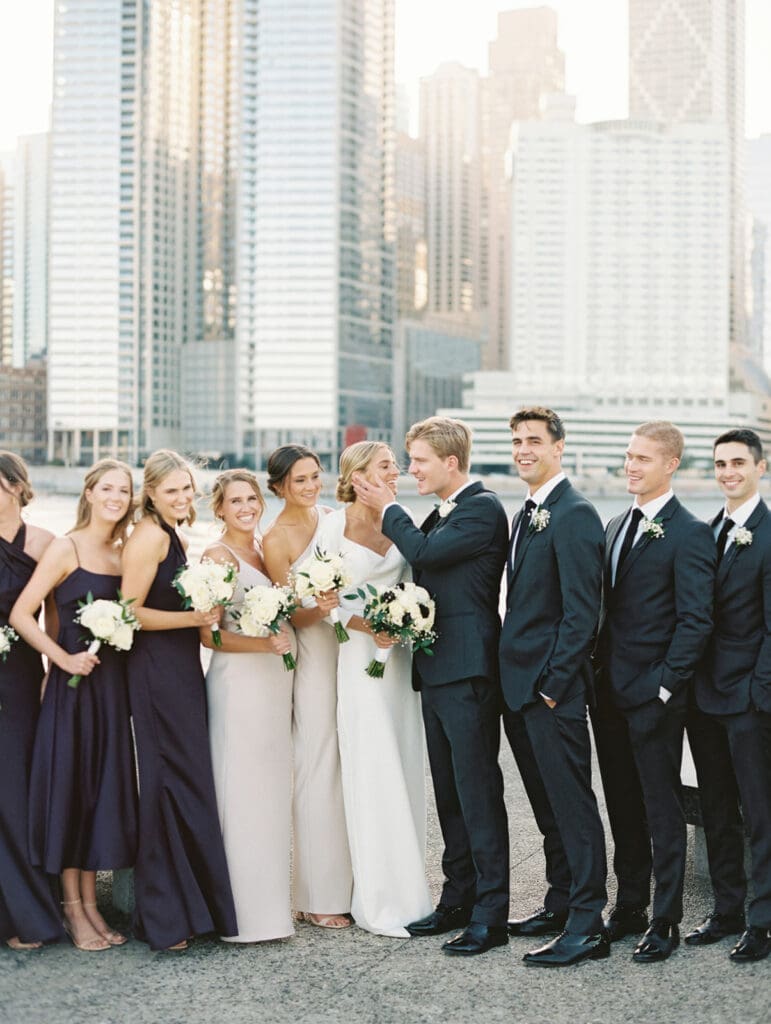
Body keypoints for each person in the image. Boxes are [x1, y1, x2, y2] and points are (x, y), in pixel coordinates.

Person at [354, 417, 510, 957]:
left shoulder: (483, 508)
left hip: (468, 673)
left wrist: (384, 507)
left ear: (451, 462)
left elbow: (421, 554)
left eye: (418, 460)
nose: (411, 468)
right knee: (449, 794)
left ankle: (491, 914)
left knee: (478, 792)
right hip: (437, 669)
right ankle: (458, 898)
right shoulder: (443, 512)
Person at [593, 421, 715, 963]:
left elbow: (696, 620)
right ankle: (629, 908)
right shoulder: (616, 522)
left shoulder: (689, 532)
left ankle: (665, 918)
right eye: (628, 455)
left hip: (654, 699)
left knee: (660, 806)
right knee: (621, 802)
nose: (631, 466)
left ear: (671, 465)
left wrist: (664, 687)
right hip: (608, 695)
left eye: (643, 458)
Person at [11, 459, 138, 952]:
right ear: (89, 491)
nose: (116, 497)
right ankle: (72, 909)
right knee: (70, 792)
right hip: (72, 691)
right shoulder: (65, 547)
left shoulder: (123, 551)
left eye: (124, 491)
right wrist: (61, 659)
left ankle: (90, 904)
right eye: (107, 487)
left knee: (95, 795)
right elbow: (25, 612)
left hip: (110, 691)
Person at [499, 408, 608, 967]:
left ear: (558, 447)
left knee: (572, 805)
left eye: (534, 441)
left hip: (552, 691)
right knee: (546, 808)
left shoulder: (574, 514)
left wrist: (551, 685)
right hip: (519, 687)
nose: (523, 449)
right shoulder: (529, 512)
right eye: (517, 441)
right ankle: (561, 902)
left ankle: (588, 924)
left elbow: (582, 614)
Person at [121, 449, 237, 951]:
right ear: (150, 494)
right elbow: (129, 614)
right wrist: (194, 619)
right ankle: (165, 917)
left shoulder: (176, 535)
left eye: (187, 489)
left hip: (182, 669)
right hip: (154, 673)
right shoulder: (148, 536)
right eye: (171, 491)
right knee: (168, 780)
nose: (182, 497)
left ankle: (197, 907)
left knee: (189, 779)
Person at [316, 441, 432, 937]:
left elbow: (423, 584)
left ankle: (413, 890)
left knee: (404, 764)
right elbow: (322, 599)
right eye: (387, 465)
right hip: (359, 660)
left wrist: (409, 623)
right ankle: (380, 897)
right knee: (373, 769)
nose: (397, 472)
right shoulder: (331, 526)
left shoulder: (404, 520)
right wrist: (366, 626)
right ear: (359, 474)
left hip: (401, 664)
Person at [687, 428, 771, 962]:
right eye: (720, 464)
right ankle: (726, 910)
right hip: (702, 696)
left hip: (748, 700)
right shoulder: (709, 529)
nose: (728, 472)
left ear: (760, 467)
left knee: (759, 812)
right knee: (717, 807)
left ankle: (762, 920)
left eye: (738, 462)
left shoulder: (767, 532)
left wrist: (758, 695)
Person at [202, 469, 295, 943]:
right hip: (240, 684)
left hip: (274, 685)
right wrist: (265, 649)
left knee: (272, 790)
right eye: (235, 501)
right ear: (219, 508)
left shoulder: (262, 551)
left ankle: (271, 910)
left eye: (253, 498)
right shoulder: (217, 556)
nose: (246, 507)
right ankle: (241, 914)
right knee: (243, 790)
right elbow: (209, 634)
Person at [262, 445, 352, 929]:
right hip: (314, 653)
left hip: (350, 650)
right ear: (279, 486)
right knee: (318, 761)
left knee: (348, 761)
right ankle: (318, 894)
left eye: (315, 476)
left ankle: (355, 882)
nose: (311, 486)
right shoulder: (275, 539)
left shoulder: (334, 518)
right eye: (300, 480)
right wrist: (319, 606)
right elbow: (288, 613)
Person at [0, 452, 64, 951]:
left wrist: (54, 671)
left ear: (20, 487)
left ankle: (27, 913)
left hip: (21, 676)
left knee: (16, 791)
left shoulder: (43, 544)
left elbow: (55, 617)